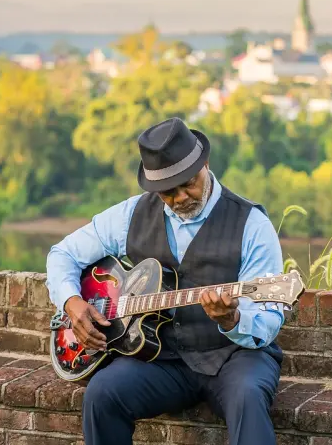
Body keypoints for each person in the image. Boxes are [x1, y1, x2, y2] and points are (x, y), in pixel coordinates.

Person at [45, 117, 285, 445]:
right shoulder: (131, 215)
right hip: (162, 360)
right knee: (102, 394)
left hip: (236, 356)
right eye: (167, 192)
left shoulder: (252, 225)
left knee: (248, 397)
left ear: (206, 164)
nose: (180, 197)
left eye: (189, 183)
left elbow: (269, 318)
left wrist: (234, 318)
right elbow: (63, 254)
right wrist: (72, 302)